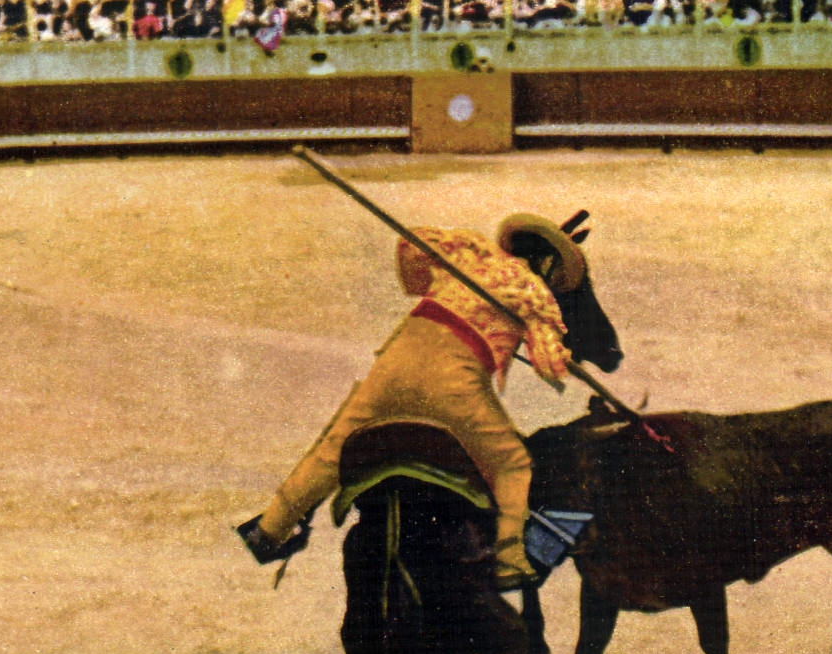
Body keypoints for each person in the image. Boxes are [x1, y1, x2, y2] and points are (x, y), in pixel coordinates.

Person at [237, 215, 586, 591]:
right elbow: (550, 368)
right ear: (547, 263)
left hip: (395, 363)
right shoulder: (534, 294)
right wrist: (558, 354)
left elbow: (413, 253)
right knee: (511, 463)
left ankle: (270, 528)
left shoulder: (471, 254)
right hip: (454, 382)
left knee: (334, 447)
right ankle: (509, 558)